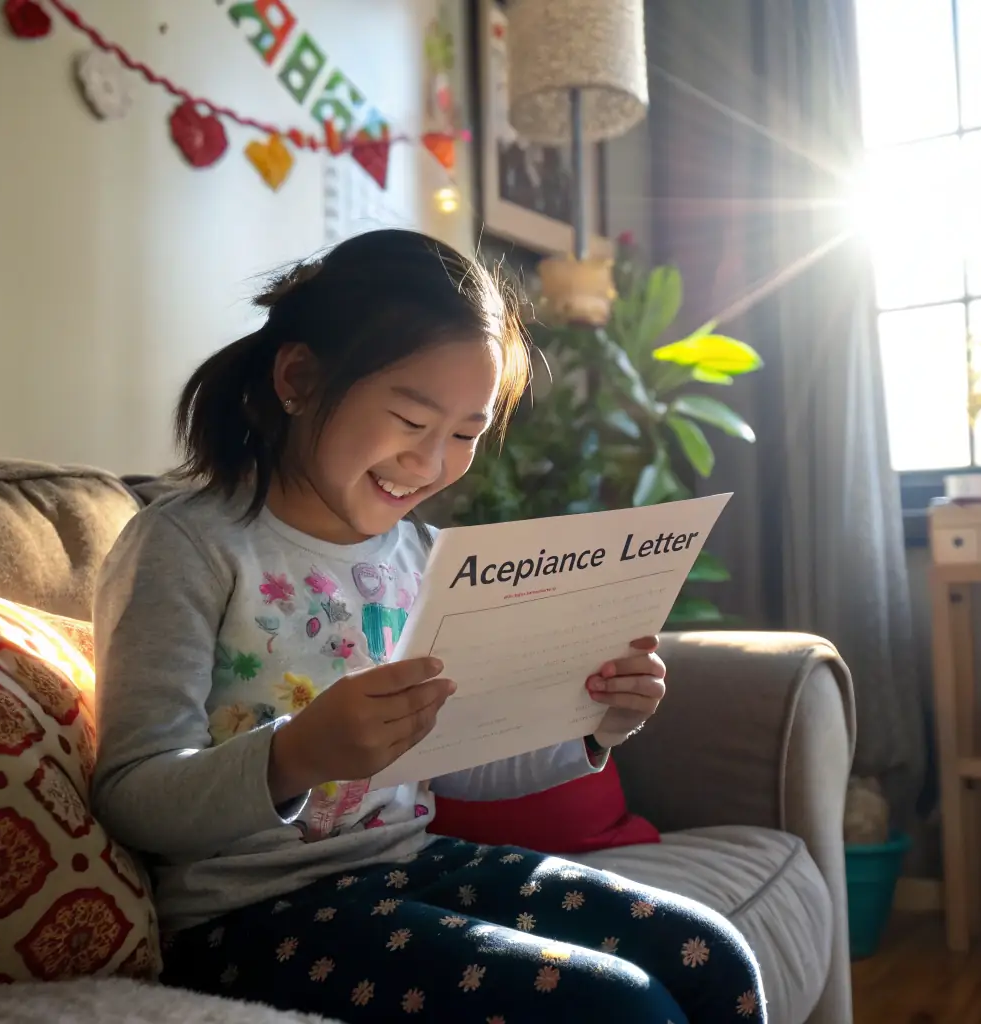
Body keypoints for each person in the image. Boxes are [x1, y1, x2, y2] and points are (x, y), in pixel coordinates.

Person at [92, 229, 766, 1022]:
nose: (433, 462)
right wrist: (296, 754)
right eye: (411, 419)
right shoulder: (188, 546)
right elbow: (133, 795)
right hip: (247, 919)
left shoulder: (428, 557)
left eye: (466, 434)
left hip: (409, 866)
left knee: (710, 955)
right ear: (299, 378)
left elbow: (460, 760)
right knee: (617, 1009)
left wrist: (595, 723)